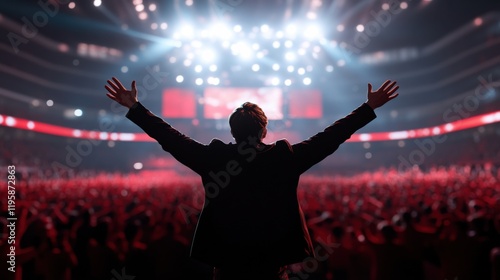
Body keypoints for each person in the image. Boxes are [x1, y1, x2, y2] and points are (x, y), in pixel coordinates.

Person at [105, 77, 399, 280]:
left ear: (233, 132)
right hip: (271, 267)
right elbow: (330, 137)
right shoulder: (284, 158)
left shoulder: (215, 159)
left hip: (227, 266)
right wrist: (367, 108)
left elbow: (171, 138)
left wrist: (136, 109)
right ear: (264, 131)